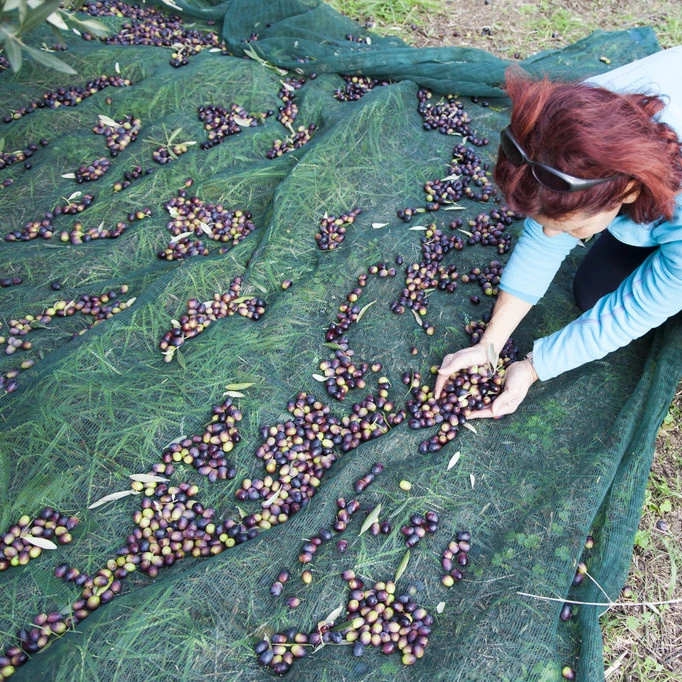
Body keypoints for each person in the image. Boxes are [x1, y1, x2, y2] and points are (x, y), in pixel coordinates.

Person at [434, 47, 682, 417]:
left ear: (628, 190)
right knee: (593, 291)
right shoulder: (573, 122)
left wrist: (535, 366)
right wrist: (491, 343)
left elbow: (636, 309)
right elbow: (546, 226)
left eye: (572, 226)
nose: (550, 235)